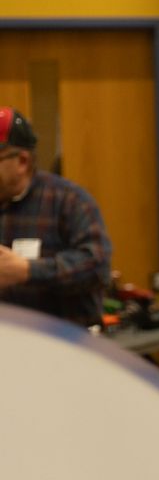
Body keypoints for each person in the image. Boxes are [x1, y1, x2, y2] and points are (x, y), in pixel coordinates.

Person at [0, 106, 112, 327]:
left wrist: (28, 271)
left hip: (67, 341)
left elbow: (97, 268)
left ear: (22, 162)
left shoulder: (69, 201)